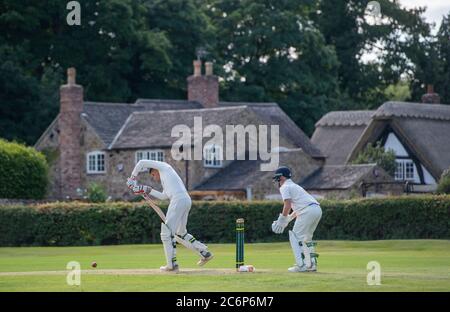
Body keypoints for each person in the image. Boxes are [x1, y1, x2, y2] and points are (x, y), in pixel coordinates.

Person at [127, 160, 213, 272]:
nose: (154, 177)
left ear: (155, 169)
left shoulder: (164, 167)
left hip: (178, 200)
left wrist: (132, 178)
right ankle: (205, 252)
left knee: (166, 233)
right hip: (185, 200)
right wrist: (144, 189)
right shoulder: (166, 178)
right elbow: (163, 196)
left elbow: (141, 162)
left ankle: (171, 265)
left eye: (153, 174)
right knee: (181, 233)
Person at [271, 166, 322, 272]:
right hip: (316, 210)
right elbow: (301, 206)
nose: (277, 181)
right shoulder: (294, 186)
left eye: (277, 179)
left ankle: (301, 265)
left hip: (307, 211)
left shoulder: (285, 187)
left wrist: (282, 219)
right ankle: (310, 265)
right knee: (306, 238)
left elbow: (287, 204)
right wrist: (289, 218)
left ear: (281, 178)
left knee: (295, 237)